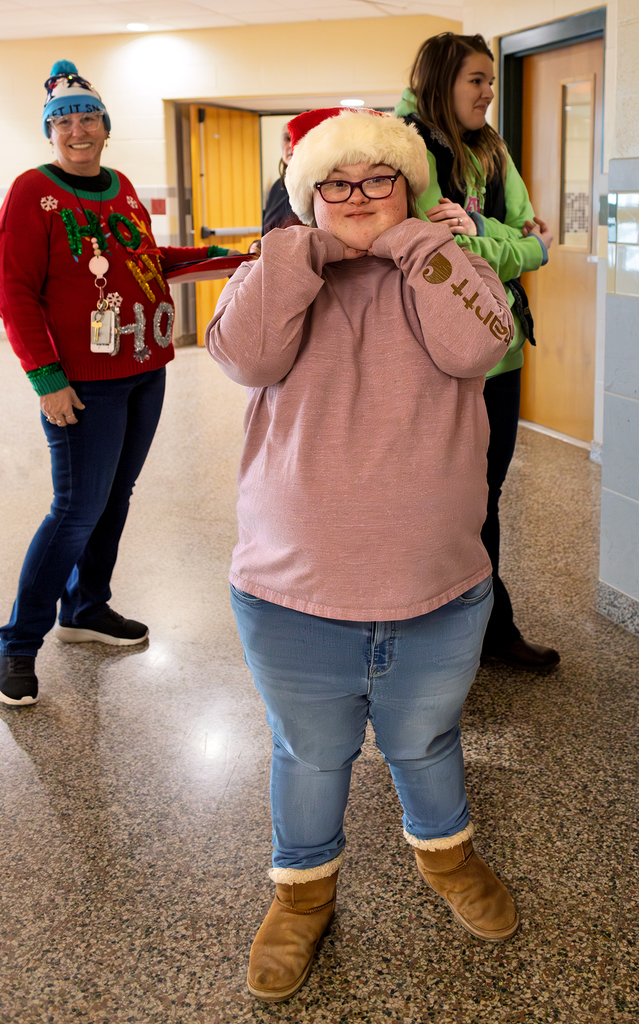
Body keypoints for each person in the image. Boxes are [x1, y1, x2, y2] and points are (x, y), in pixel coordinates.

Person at [206, 106, 519, 1004]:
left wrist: (421, 247)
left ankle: (448, 860)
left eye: (376, 177)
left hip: (436, 585)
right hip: (291, 588)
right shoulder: (278, 264)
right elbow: (245, 357)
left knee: (424, 740)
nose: (355, 196)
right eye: (334, 182)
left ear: (408, 186)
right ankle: (302, 895)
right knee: (309, 752)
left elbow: (479, 343)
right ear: (307, 192)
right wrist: (295, 252)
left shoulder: (444, 263)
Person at [0, 60, 234, 707]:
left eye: (87, 118)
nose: (77, 129)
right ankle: (16, 645)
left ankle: (86, 608)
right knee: (74, 510)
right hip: (81, 385)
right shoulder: (31, 191)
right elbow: (14, 289)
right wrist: (46, 379)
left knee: (115, 496)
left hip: (144, 370)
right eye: (64, 121)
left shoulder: (122, 185)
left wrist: (237, 259)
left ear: (106, 125)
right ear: (51, 132)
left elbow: (147, 263)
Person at [396, 32, 560, 672]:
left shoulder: (490, 149)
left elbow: (530, 234)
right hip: (443, 355)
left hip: (504, 351)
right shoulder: (410, 146)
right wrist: (516, 248)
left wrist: (498, 236)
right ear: (441, 80)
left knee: (486, 494)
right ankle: (453, 636)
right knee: (447, 498)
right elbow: (445, 248)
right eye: (476, 80)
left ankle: (481, 633)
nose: (489, 93)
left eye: (491, 80)